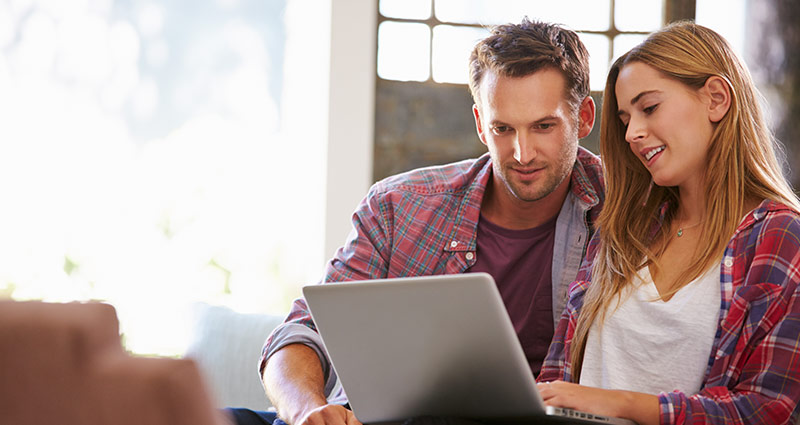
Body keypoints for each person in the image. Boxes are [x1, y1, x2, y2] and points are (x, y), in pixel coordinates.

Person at [227, 18, 603, 425]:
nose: (522, 152)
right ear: (480, 124)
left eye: (544, 127)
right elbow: (302, 332)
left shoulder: (623, 214)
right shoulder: (398, 205)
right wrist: (307, 412)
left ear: (583, 118)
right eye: (502, 129)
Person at [537, 21, 800, 425]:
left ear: (716, 99)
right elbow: (560, 377)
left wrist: (624, 404)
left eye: (650, 108)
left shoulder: (780, 236)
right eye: (625, 119)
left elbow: (766, 407)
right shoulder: (622, 229)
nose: (632, 134)